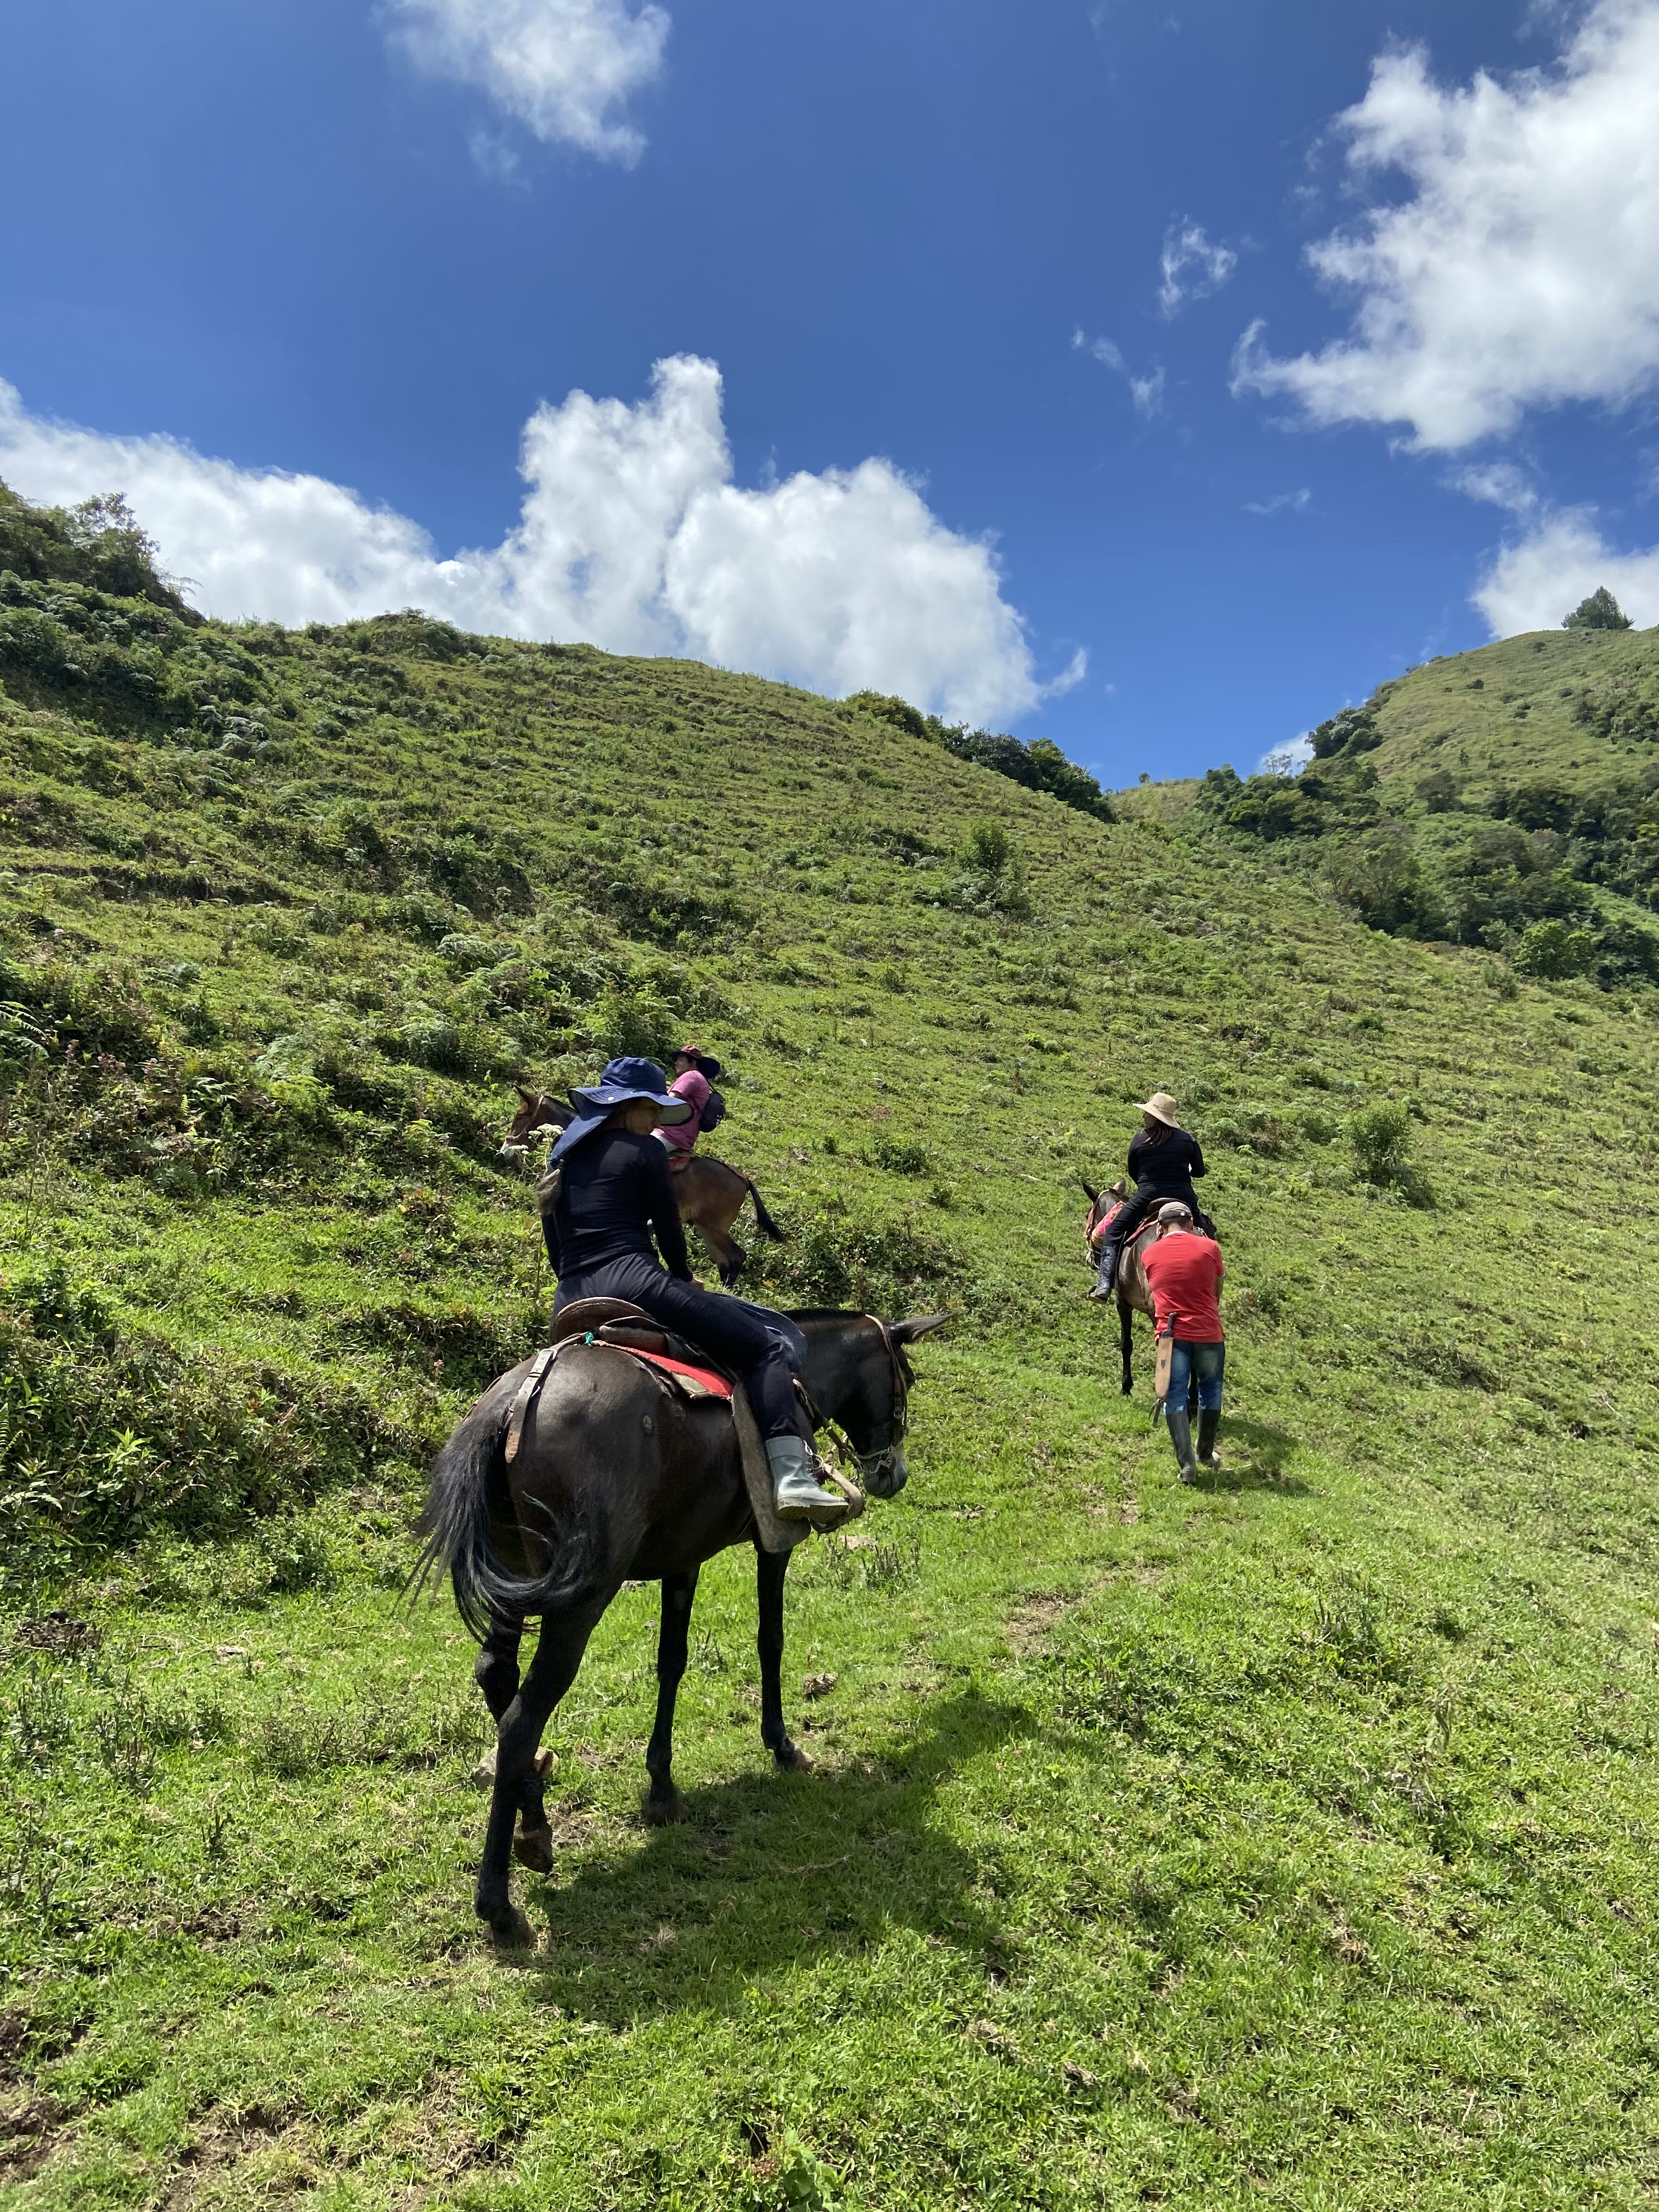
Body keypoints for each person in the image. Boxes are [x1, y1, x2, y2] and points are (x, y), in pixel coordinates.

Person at [544, 1056, 843, 1519]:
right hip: (635, 1281)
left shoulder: (560, 1159)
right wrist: (683, 1280)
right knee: (763, 1348)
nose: (657, 1122)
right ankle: (792, 1478)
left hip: (570, 1297)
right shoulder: (644, 1152)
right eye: (653, 1112)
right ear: (630, 1108)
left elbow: (557, 1255)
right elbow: (668, 1231)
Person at [1088, 1091, 1208, 1301]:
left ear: (1155, 1116)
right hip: (1184, 1197)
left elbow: (1133, 1171)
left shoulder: (1140, 1139)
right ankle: (1212, 1280)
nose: (1144, 1116)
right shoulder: (1188, 1141)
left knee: (1114, 1232)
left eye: (1147, 1113)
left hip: (1147, 1196)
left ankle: (1104, 1285)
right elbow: (1199, 1172)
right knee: (1206, 1236)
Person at [1141, 1200, 1225, 1483]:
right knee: (1210, 1389)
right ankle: (1205, 1453)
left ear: (1160, 1228)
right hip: (1209, 1333)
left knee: (1174, 1395)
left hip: (1171, 1336)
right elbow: (1216, 1293)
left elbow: (1154, 1297)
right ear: (1191, 1224)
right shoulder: (1211, 1248)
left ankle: (1187, 1465)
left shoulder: (1149, 1255)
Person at [654, 1046, 724, 1160]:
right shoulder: (701, 1080)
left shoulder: (691, 1075)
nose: (676, 1063)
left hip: (669, 1134)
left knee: (637, 1152)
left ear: (692, 1063)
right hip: (684, 1138)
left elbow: (668, 1101)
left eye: (680, 1060)